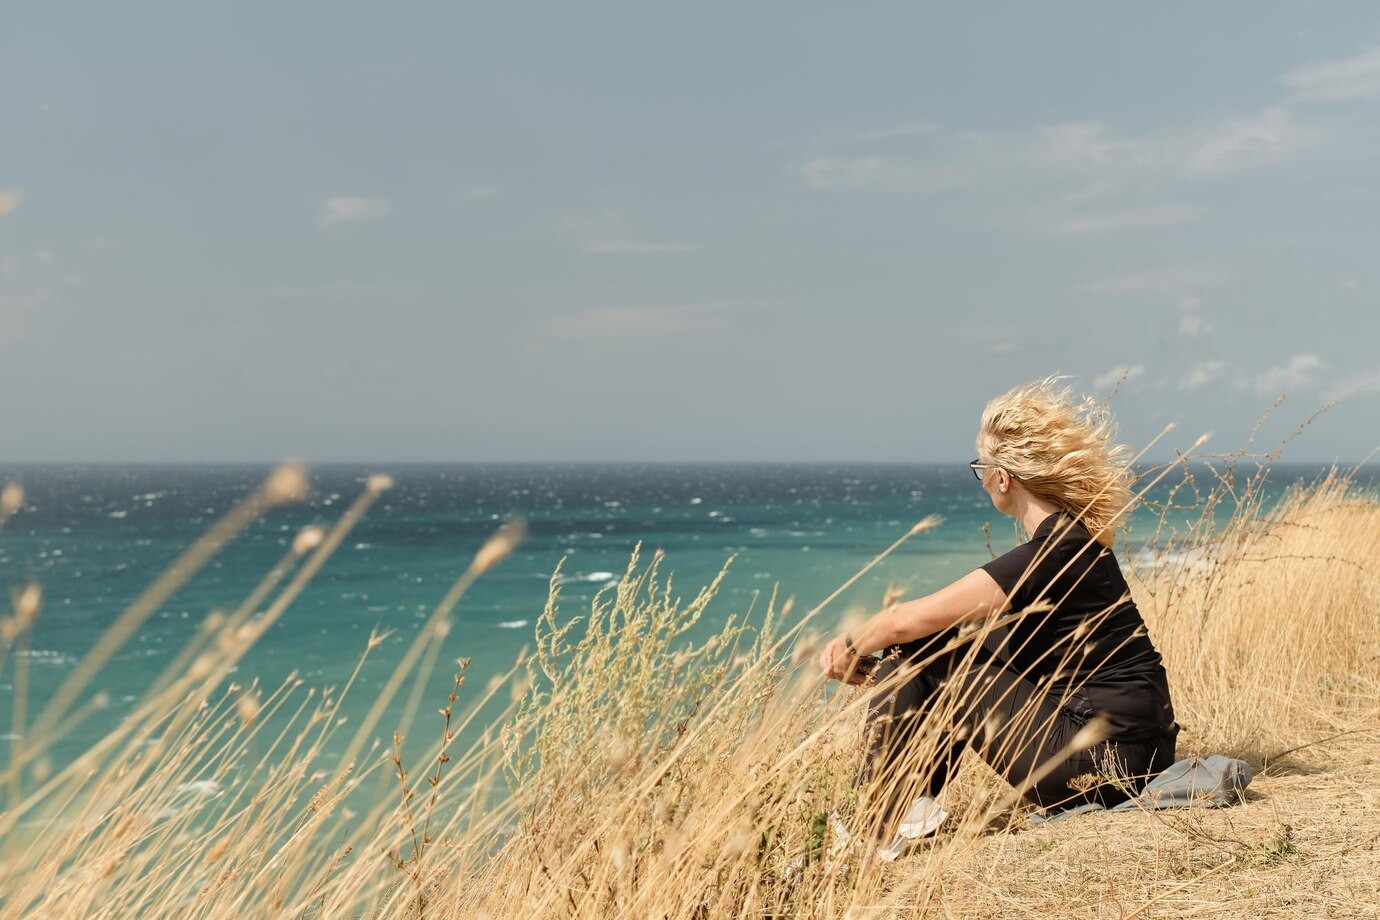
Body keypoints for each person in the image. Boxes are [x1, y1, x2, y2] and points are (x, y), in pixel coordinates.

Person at [818, 378, 1178, 849]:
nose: (983, 479)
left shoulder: (1054, 552)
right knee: (943, 643)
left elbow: (904, 621)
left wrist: (849, 646)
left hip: (1105, 764)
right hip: (1136, 755)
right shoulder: (1075, 542)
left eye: (981, 469)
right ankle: (903, 803)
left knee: (926, 647)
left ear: (1003, 478)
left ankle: (876, 819)